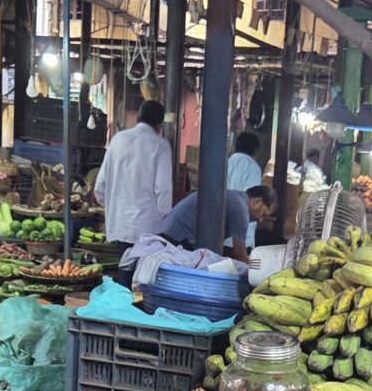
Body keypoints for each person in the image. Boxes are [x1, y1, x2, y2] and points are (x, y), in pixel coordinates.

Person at [92, 98, 171, 249]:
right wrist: (165, 222)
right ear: (160, 125)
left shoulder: (117, 140)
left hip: (119, 224)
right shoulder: (160, 145)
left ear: (138, 118)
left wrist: (112, 207)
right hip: (147, 227)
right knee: (143, 271)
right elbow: (164, 190)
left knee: (124, 268)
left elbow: (100, 185)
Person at [161, 185, 274, 265]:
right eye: (264, 214)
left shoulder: (234, 198)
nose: (260, 219)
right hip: (176, 241)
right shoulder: (241, 208)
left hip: (168, 233)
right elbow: (239, 255)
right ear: (257, 202)